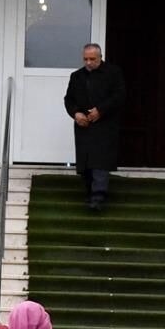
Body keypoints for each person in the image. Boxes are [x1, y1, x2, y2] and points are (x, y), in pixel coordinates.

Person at [65, 41, 125, 209]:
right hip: (84, 126)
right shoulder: (76, 76)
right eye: (85, 59)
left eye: (92, 59)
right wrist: (76, 114)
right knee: (85, 164)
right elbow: (69, 99)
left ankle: (98, 196)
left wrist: (100, 110)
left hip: (105, 125)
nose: (88, 63)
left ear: (100, 57)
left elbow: (119, 96)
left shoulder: (113, 73)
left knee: (100, 161)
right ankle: (90, 193)